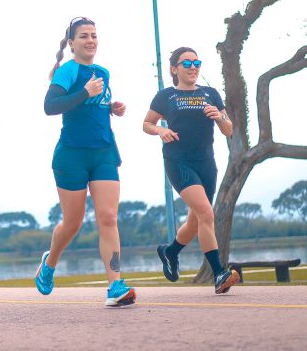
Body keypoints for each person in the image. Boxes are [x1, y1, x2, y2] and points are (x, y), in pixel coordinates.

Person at [35, 17, 136, 307]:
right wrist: (85, 93)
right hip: (71, 156)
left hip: (104, 152)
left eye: (94, 35)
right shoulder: (67, 72)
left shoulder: (102, 71)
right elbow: (50, 107)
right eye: (83, 36)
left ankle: (115, 284)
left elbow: (94, 106)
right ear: (71, 43)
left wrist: (111, 107)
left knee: (108, 217)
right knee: (72, 222)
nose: (90, 40)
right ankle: (49, 263)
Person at [143, 46, 240, 293]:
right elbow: (147, 123)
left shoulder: (211, 94)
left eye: (197, 63)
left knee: (196, 221)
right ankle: (219, 274)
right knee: (207, 214)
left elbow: (228, 130)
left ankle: (170, 250)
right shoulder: (165, 96)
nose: (193, 67)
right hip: (178, 160)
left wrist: (219, 116)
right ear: (174, 69)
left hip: (206, 162)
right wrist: (161, 130)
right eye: (186, 63)